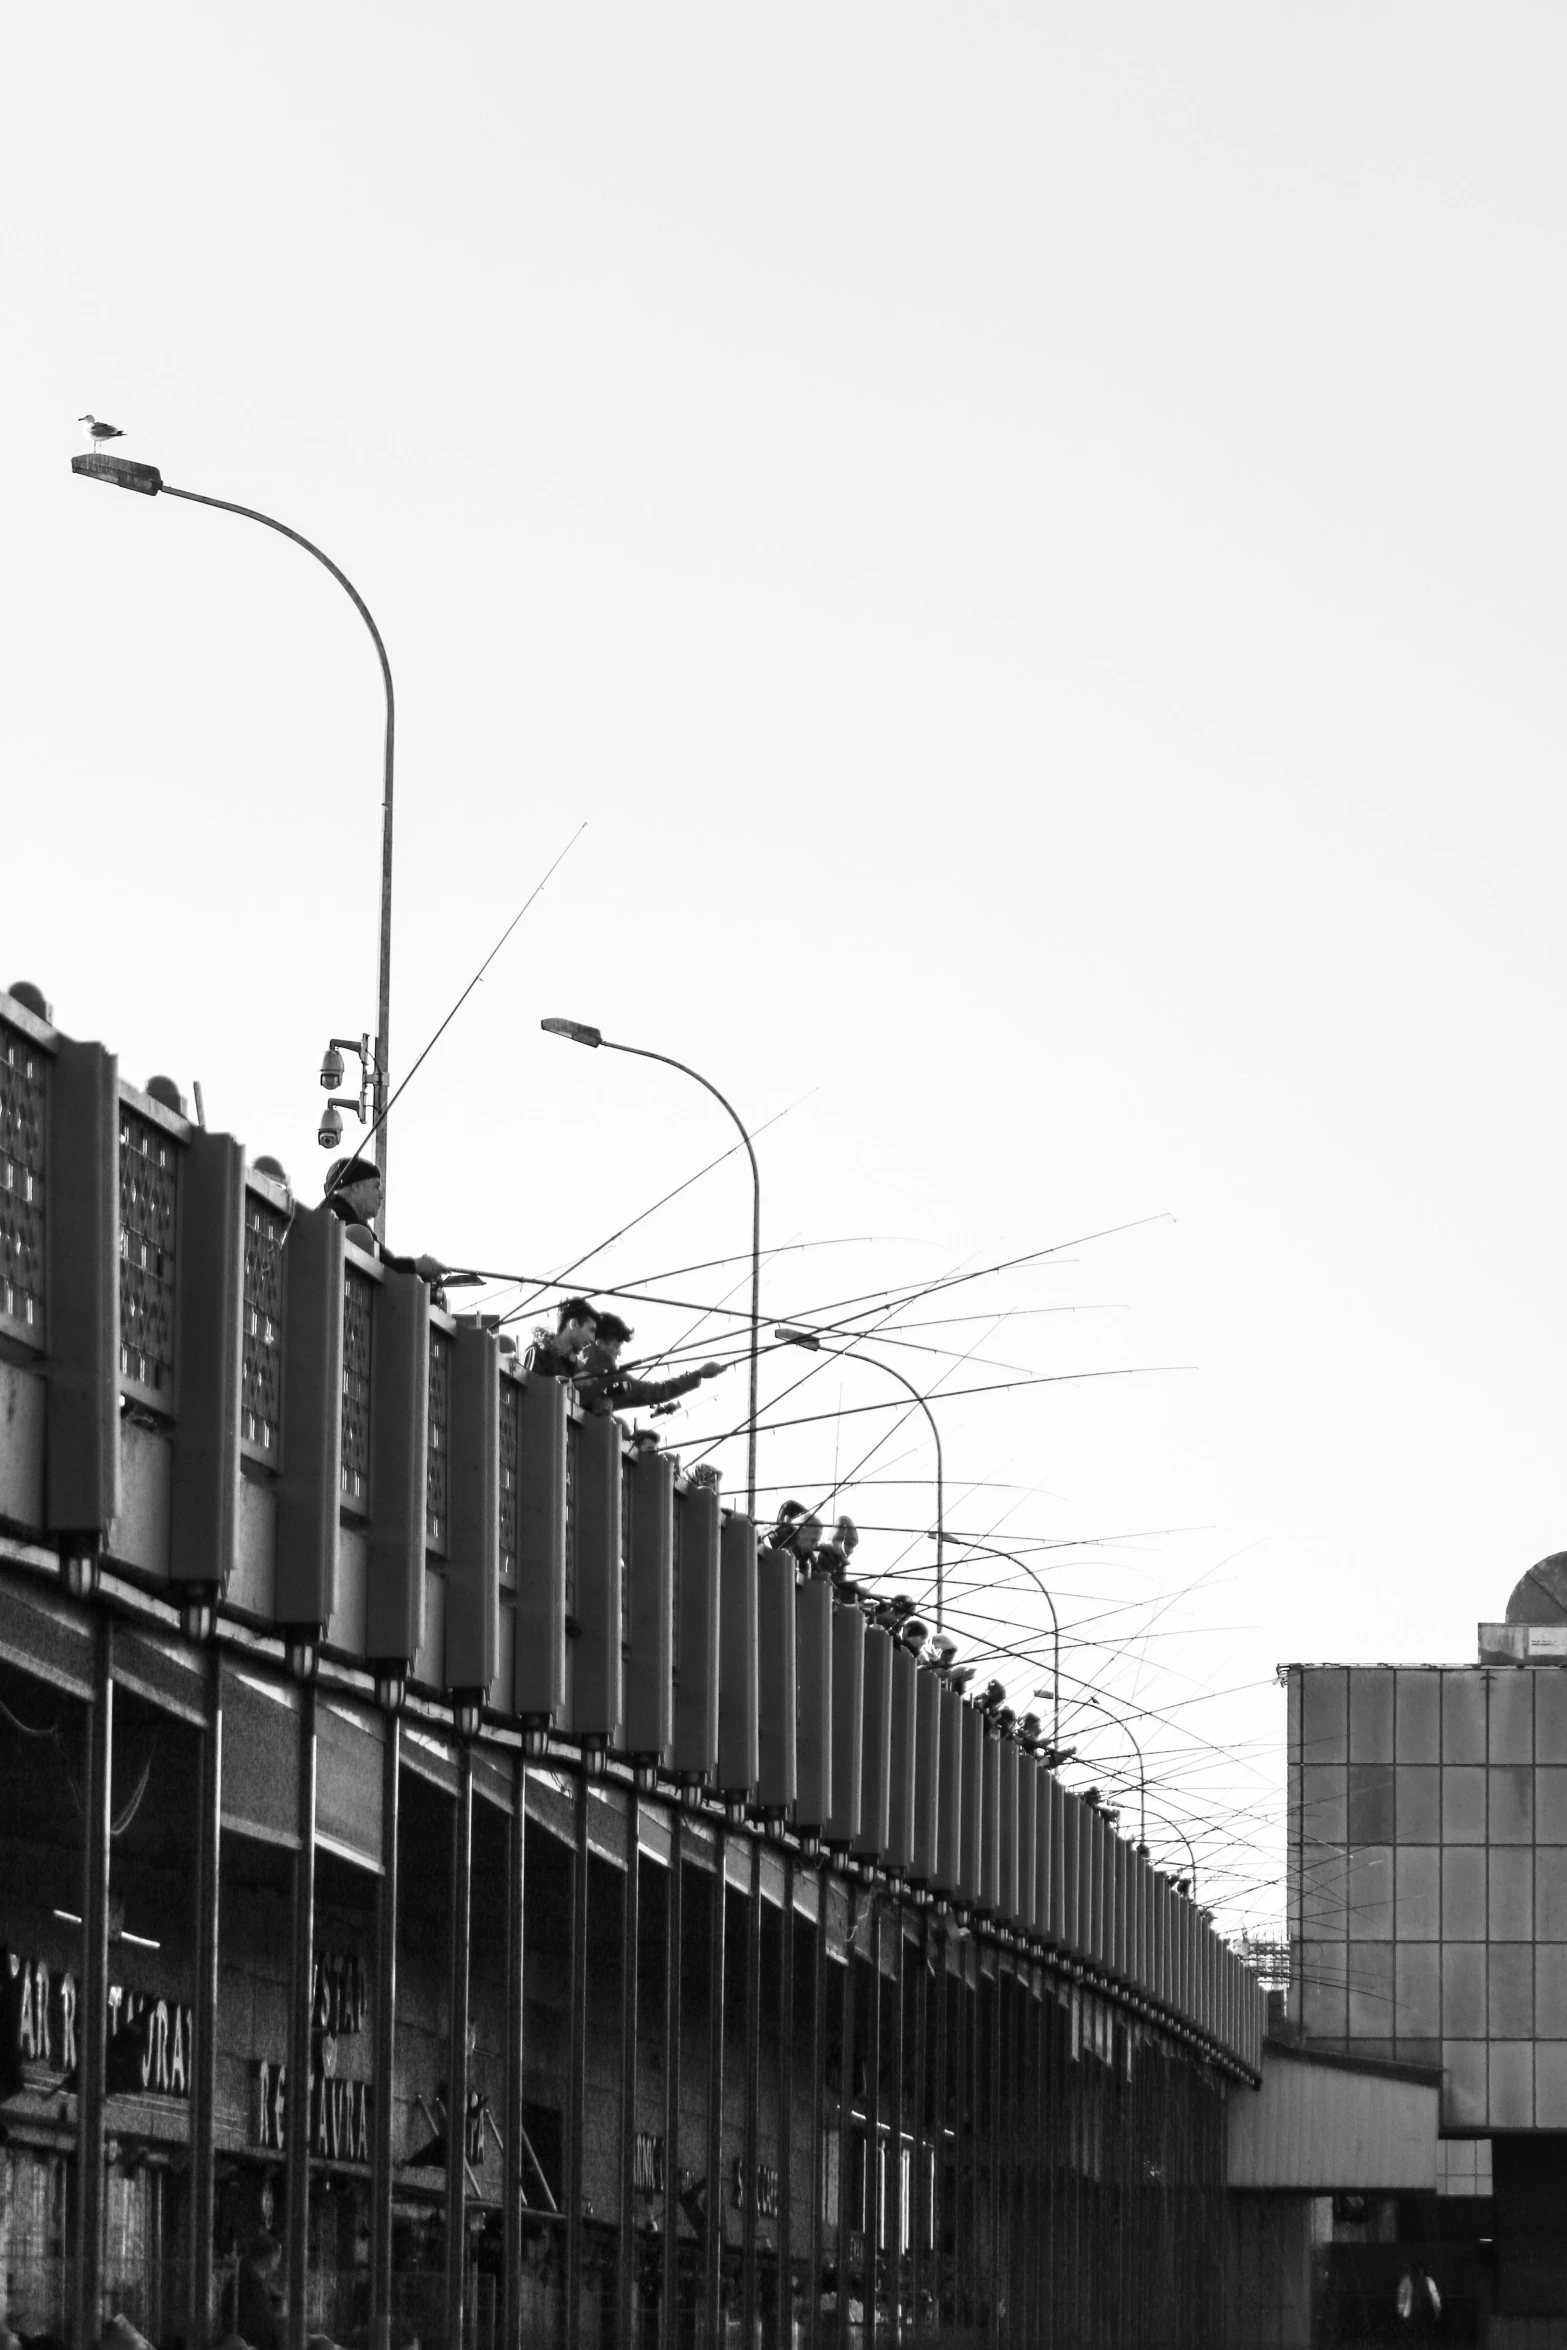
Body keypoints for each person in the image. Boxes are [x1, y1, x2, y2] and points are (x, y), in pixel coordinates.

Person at [321, 1159, 450, 1292]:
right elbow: (377, 1263)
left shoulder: (335, 1214)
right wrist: (416, 1266)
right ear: (356, 1186)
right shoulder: (339, 1217)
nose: (381, 1196)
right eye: (376, 1186)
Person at [574, 1312, 730, 1418]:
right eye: (616, 1345)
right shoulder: (612, 1377)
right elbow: (657, 1391)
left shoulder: (575, 1362)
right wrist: (698, 1374)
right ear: (600, 1343)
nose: (619, 1353)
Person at [524, 1298, 598, 1379]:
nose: (592, 1339)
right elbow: (533, 1389)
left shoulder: (574, 1367)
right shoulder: (538, 1353)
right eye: (591, 1330)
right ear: (574, 1324)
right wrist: (572, 1384)